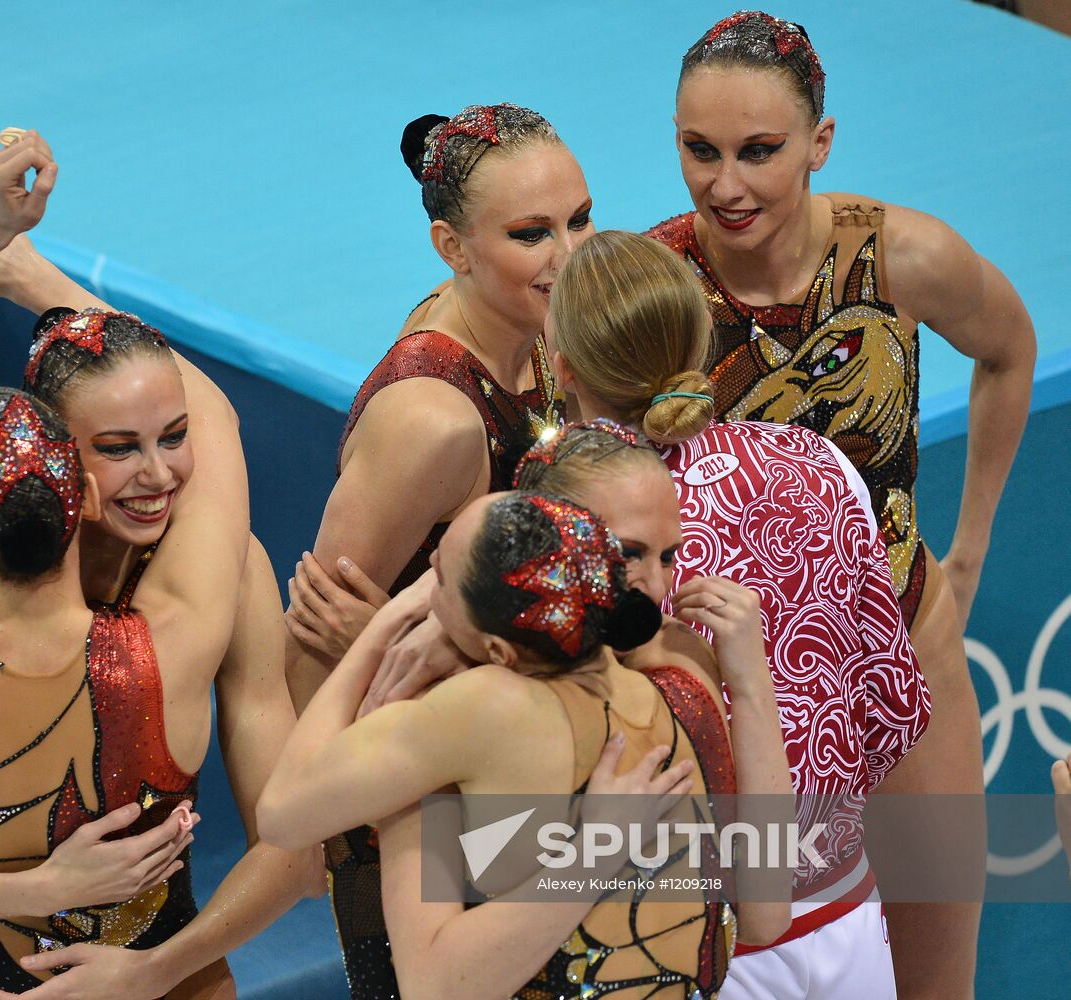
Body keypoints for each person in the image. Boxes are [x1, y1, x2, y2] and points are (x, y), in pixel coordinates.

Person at [0, 135, 303, 1000]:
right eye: (121, 448)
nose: (159, 476)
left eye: (172, 437)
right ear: (74, 475)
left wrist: (18, 266)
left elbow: (297, 846)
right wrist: (34, 278)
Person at [645, 14, 1035, 993]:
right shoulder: (650, 291)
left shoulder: (906, 257)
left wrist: (973, 547)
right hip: (733, 696)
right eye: (701, 150)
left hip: (901, 651)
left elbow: (1008, 349)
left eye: (759, 151)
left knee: (936, 979)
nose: (724, 186)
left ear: (821, 143)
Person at [525, 229, 930, 997]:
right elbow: (892, 705)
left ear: (563, 367)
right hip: (850, 922)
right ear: (700, 341)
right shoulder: (822, 462)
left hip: (692, 947)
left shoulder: (572, 523)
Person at [281, 103, 592, 995]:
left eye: (580, 219)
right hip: (424, 827)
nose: (570, 256)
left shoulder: (526, 329)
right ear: (450, 247)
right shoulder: (433, 421)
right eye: (532, 233)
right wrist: (349, 829)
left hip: (509, 778)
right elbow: (307, 641)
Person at [258, 491, 793, 998]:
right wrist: (752, 689)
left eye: (438, 581)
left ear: (498, 648)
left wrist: (385, 626)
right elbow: (768, 915)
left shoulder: (478, 708)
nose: (426, 591)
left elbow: (283, 815)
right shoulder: (682, 676)